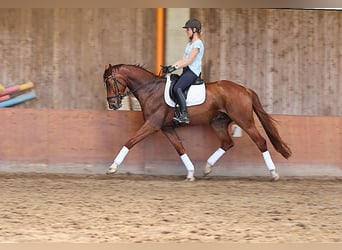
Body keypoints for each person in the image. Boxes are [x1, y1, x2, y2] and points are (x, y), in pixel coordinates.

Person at [163, 19, 204, 124]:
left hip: (193, 72)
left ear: (194, 30)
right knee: (174, 83)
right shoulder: (190, 44)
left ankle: (184, 114)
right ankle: (176, 112)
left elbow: (189, 60)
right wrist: (170, 67)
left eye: (188, 29)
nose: (187, 31)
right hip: (186, 71)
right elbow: (182, 60)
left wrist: (175, 68)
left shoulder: (198, 44)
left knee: (178, 88)